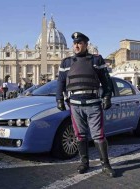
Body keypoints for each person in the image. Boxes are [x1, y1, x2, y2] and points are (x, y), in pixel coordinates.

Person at [56, 32, 115, 177]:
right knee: (80, 135)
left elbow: (106, 80)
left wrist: (107, 96)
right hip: (75, 105)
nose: (76, 45)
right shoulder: (66, 62)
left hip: (93, 103)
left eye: (80, 43)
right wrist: (59, 99)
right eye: (75, 43)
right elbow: (61, 82)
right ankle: (84, 163)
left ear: (86, 44)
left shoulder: (96, 60)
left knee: (98, 136)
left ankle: (105, 164)